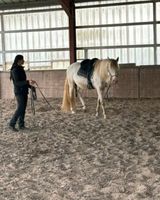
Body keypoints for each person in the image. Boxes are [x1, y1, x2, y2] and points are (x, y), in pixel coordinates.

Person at [9, 55, 36, 132]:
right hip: (19, 92)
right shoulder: (14, 70)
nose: (23, 61)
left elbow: (23, 81)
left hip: (24, 91)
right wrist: (27, 82)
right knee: (20, 108)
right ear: (19, 60)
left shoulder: (21, 69)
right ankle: (12, 123)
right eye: (22, 59)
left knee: (23, 109)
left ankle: (21, 124)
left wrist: (30, 86)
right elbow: (17, 83)